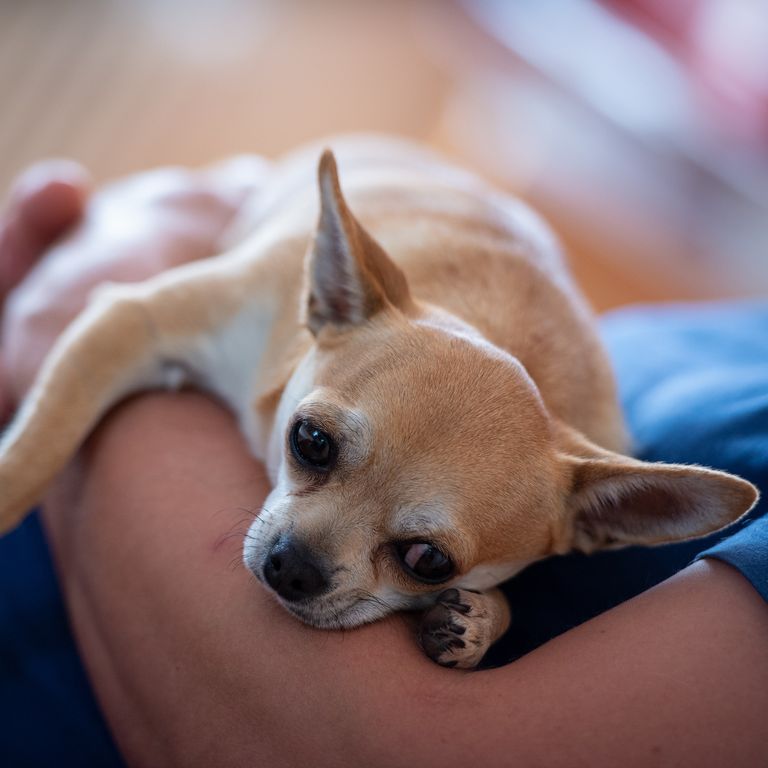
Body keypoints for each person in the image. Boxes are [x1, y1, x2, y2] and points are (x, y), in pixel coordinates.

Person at [0, 156, 766, 768]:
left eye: (421, 556)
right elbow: (123, 318)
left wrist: (492, 610)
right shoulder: (317, 296)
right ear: (330, 293)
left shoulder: (560, 491)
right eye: (317, 448)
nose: (300, 560)